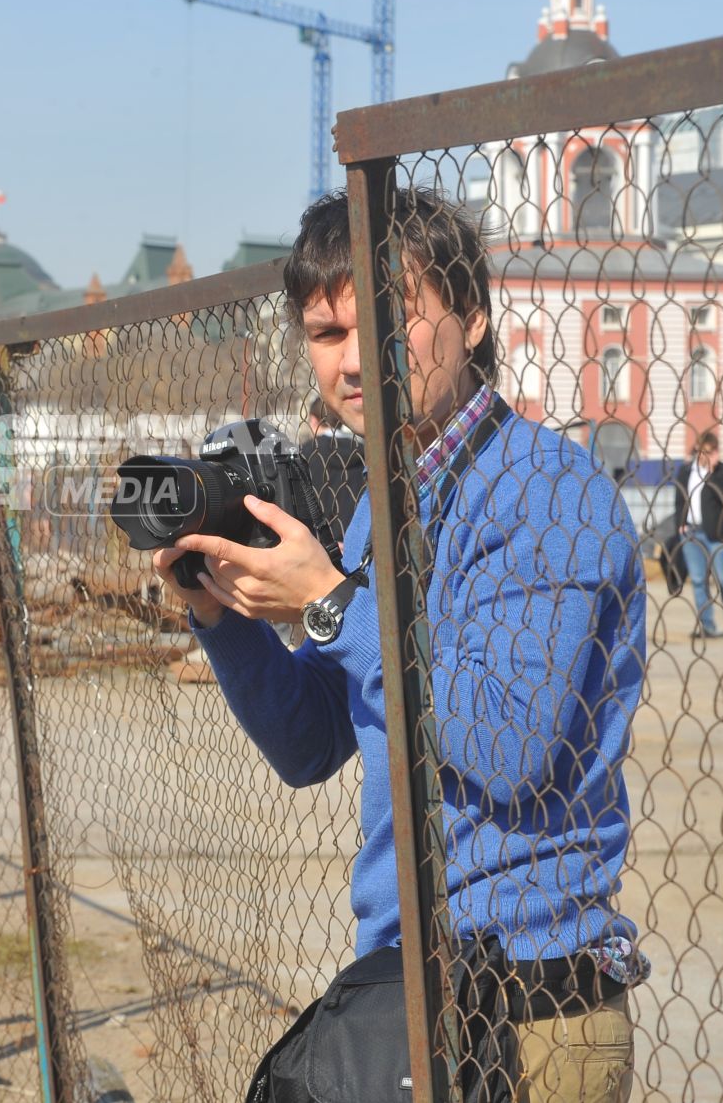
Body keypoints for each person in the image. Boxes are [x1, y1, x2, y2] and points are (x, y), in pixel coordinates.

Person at [151, 190, 647, 1102]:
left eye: (390, 317)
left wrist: (333, 604)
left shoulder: (547, 492)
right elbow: (311, 742)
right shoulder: (389, 505)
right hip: (408, 990)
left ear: (472, 318)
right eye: (328, 331)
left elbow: (510, 748)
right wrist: (220, 614)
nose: (355, 358)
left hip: (529, 1007)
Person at [672, 429, 723, 639]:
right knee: (698, 580)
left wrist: (711, 471)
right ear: (699, 450)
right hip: (691, 534)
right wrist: (680, 524)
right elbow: (679, 500)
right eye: (708, 452)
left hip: (715, 535)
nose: (712, 455)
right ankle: (707, 626)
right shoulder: (685, 472)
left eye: (714, 451)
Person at [301, 392, 368, 532]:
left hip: (318, 536)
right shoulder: (363, 450)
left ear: (313, 420)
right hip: (356, 534)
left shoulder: (306, 452)